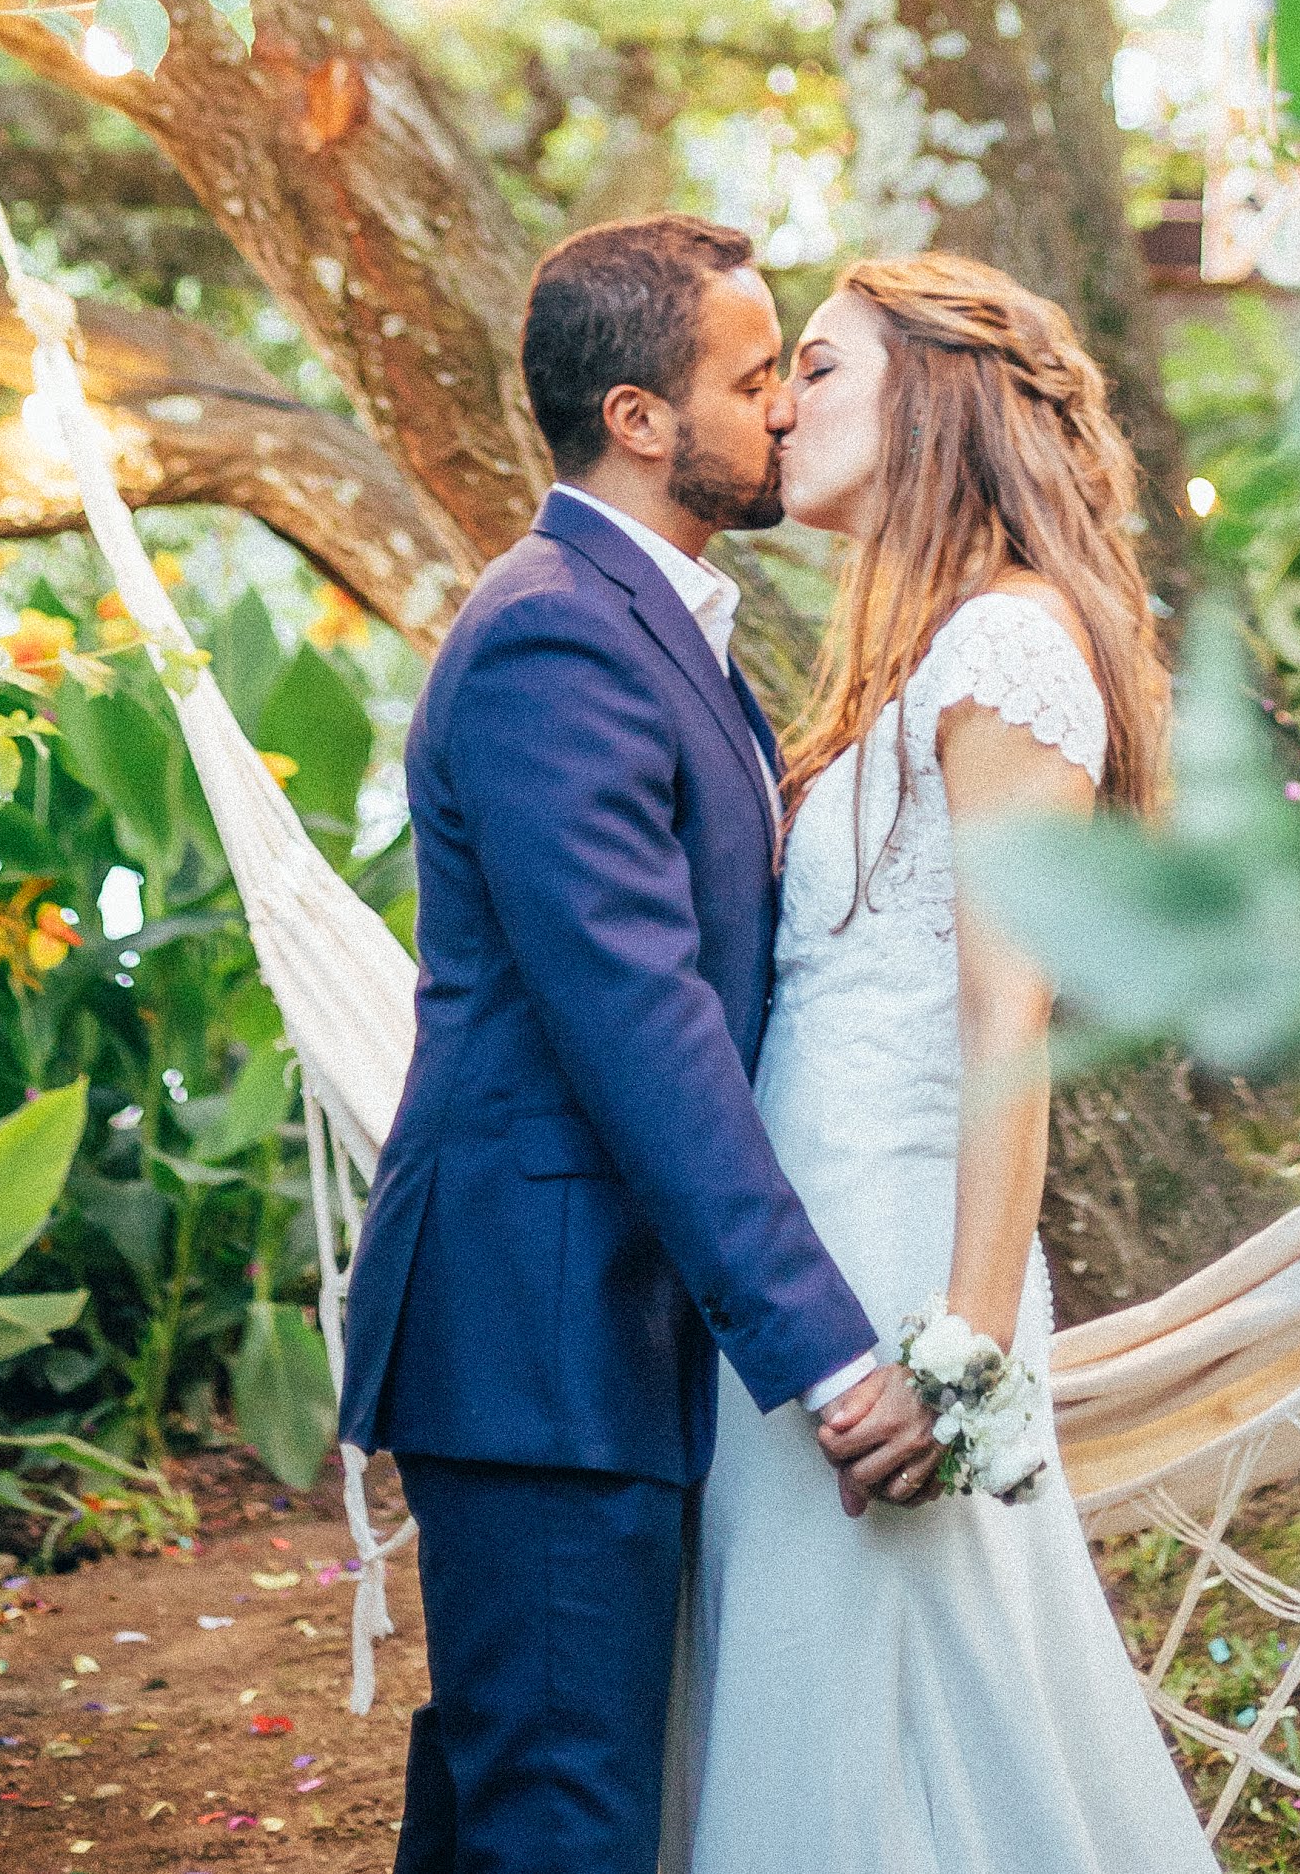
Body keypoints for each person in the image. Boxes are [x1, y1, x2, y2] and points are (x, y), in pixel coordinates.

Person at [337, 214, 934, 1874]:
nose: (785, 407)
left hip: (599, 1331)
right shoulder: (553, 634)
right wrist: (828, 1352)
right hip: (537, 1333)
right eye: (753, 378)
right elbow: (640, 1024)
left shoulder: (654, 620)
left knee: (536, 1793)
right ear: (639, 417)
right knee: (564, 1813)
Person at [668, 253, 1213, 1874]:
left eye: (816, 364)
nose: (779, 406)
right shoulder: (910, 656)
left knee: (906, 1687)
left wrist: (963, 1345)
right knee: (817, 1679)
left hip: (902, 1257)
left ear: (934, 396)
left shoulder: (1011, 644)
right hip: (806, 1247)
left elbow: (1004, 1017)